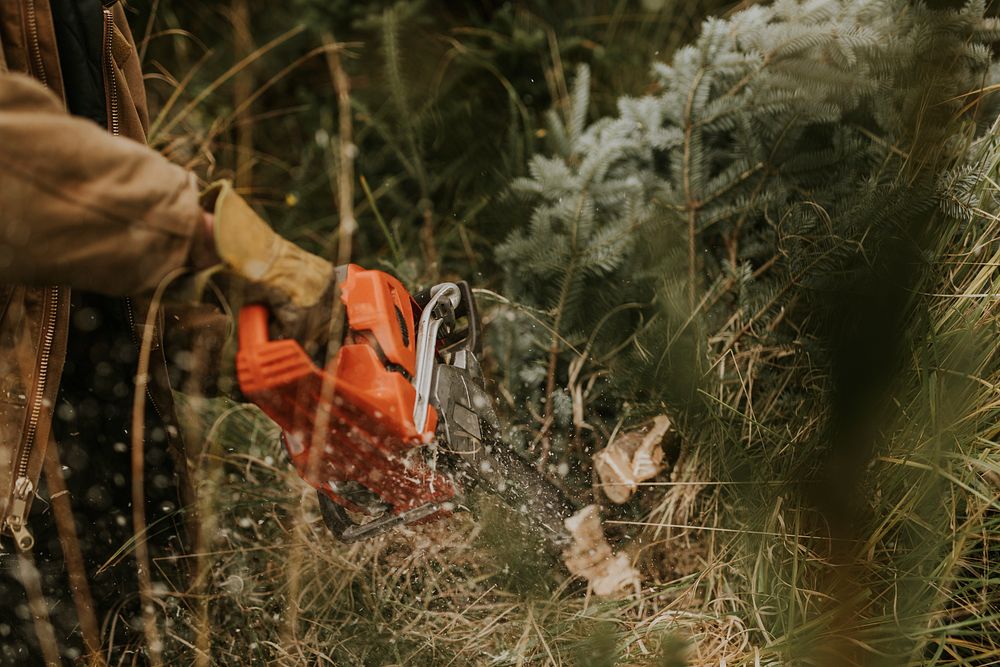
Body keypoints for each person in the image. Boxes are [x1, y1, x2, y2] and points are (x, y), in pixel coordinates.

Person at [0, 1, 334, 661]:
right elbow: (20, 174)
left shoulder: (90, 9)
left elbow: (87, 269)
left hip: (109, 489)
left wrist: (229, 342)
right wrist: (214, 236)